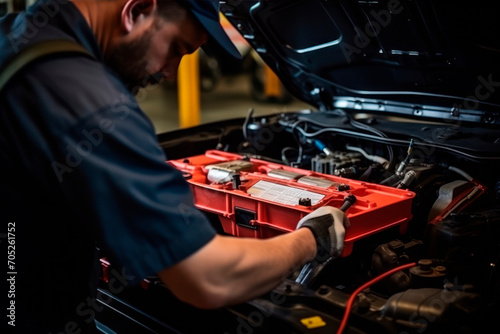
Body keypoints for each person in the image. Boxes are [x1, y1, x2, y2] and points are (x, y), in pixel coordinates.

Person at [0, 0, 350, 333]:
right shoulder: (91, 102)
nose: (170, 73)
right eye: (178, 48)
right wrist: (311, 239)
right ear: (137, 10)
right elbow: (209, 277)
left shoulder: (16, 36)